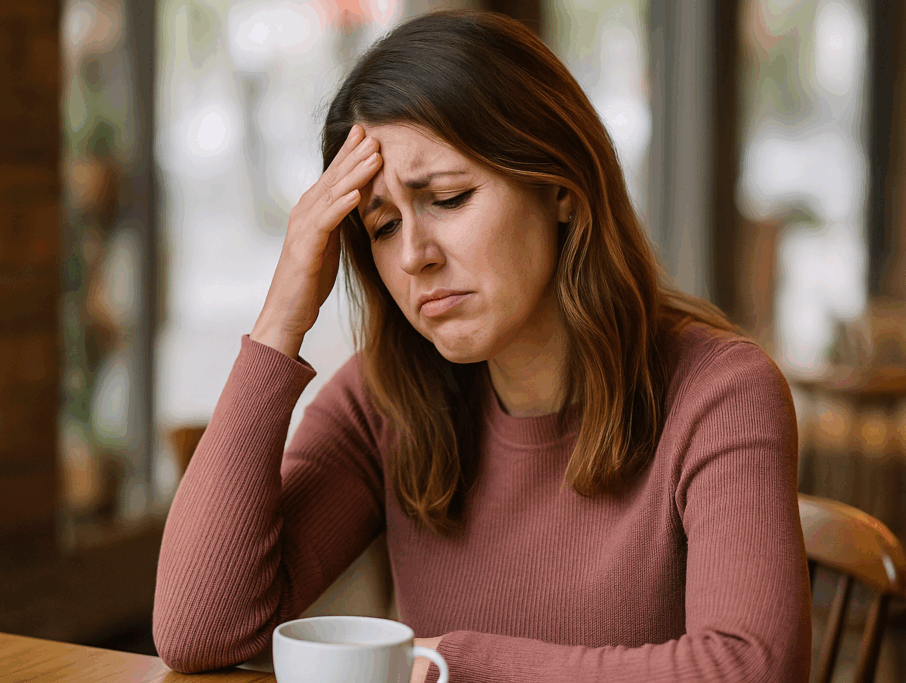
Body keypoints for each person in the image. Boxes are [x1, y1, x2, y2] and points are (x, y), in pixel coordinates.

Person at [153, 9, 812, 682]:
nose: (413, 256)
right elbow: (198, 628)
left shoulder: (720, 392)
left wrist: (455, 664)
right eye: (380, 225)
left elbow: (750, 668)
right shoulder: (384, 399)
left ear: (558, 186)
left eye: (448, 197)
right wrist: (279, 320)